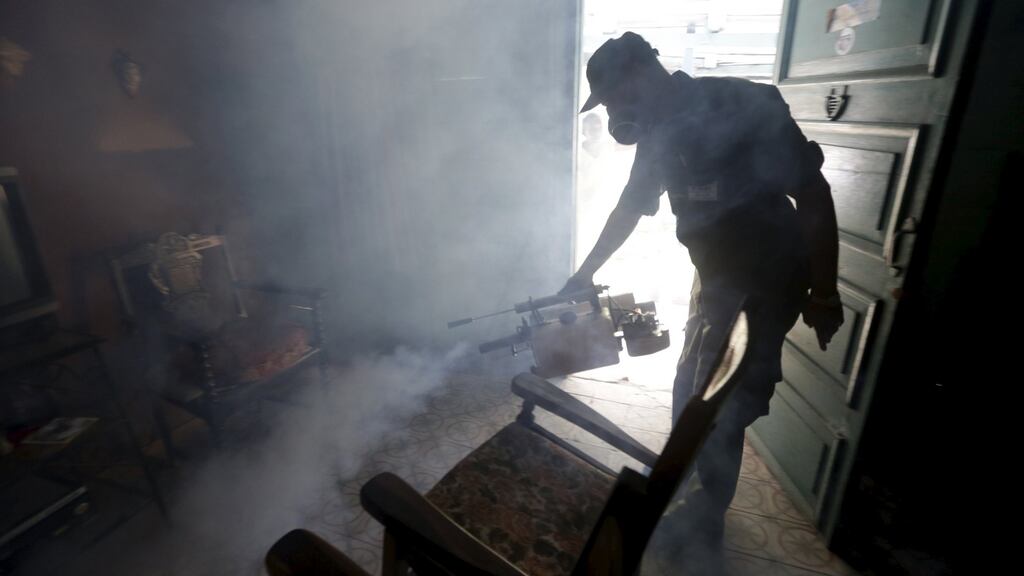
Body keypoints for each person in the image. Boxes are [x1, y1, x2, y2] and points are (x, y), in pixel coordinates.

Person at [560, 32, 844, 574]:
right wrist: (583, 273)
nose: (615, 113)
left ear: (641, 74)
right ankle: (686, 493)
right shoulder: (658, 134)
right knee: (690, 393)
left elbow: (813, 193)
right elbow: (629, 207)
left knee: (719, 408)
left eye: (615, 98)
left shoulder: (741, 104)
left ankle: (699, 527)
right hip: (715, 278)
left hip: (768, 278)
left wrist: (825, 293)